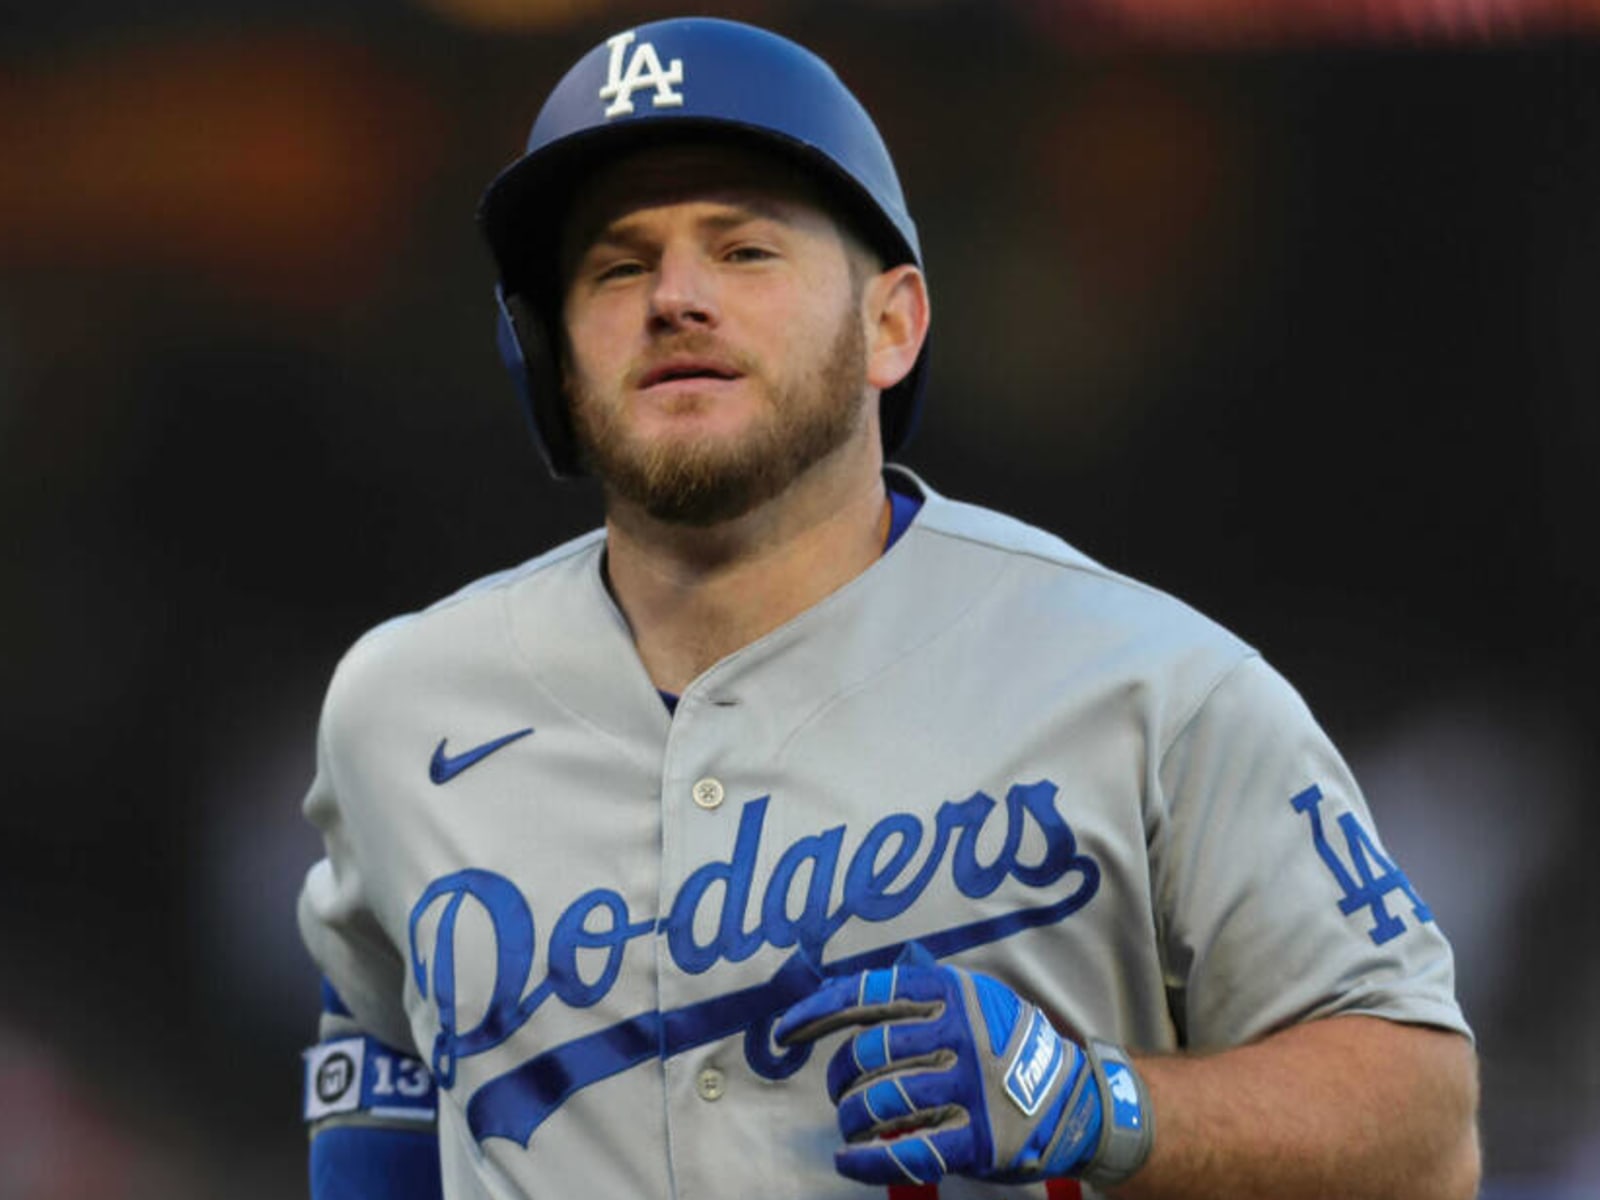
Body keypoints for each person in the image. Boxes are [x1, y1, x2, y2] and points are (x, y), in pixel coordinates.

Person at [296, 16, 1480, 1200]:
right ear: (550, 363)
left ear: (892, 324)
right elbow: (381, 1045)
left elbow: (1423, 1132)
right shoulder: (402, 706)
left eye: (744, 249)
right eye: (616, 264)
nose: (674, 298)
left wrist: (1100, 1100)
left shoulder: (1153, 686)